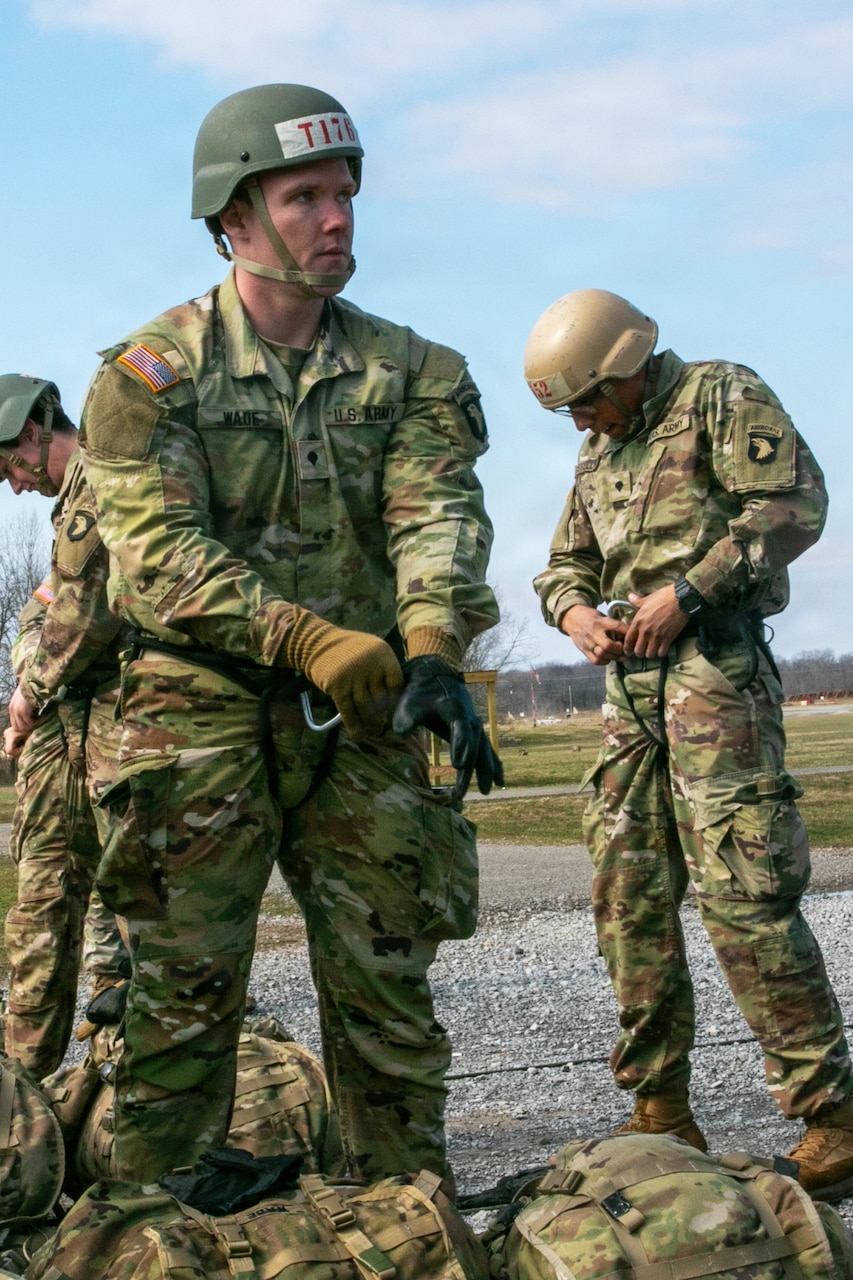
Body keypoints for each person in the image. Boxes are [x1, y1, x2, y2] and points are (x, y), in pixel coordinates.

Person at [79, 83, 501, 1187]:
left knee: (387, 988)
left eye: (346, 193)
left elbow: (436, 512)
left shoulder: (417, 371)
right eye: (304, 194)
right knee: (182, 997)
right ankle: (143, 1229)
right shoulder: (147, 376)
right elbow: (156, 553)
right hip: (199, 708)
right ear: (234, 216)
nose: (337, 217)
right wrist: (303, 636)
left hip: (365, 707)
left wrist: (429, 644)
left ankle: (407, 1218)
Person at [526, 288, 853, 1202]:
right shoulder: (597, 453)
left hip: (713, 677)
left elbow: (793, 503)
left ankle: (830, 1116)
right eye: (571, 412)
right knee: (626, 895)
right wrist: (577, 613)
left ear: (625, 368)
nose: (581, 423)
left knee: (743, 893)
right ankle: (660, 1110)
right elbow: (561, 566)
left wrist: (690, 594)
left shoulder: (718, 396)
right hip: (626, 693)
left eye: (587, 402)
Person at [0, 374, 128, 1079]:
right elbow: (40, 609)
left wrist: (32, 690)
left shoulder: (109, 478)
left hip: (134, 726)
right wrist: (29, 675)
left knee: (149, 914)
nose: (15, 487)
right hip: (69, 730)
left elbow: (86, 612)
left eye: (8, 469)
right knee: (43, 904)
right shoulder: (69, 512)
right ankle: (26, 1112)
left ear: (30, 433)